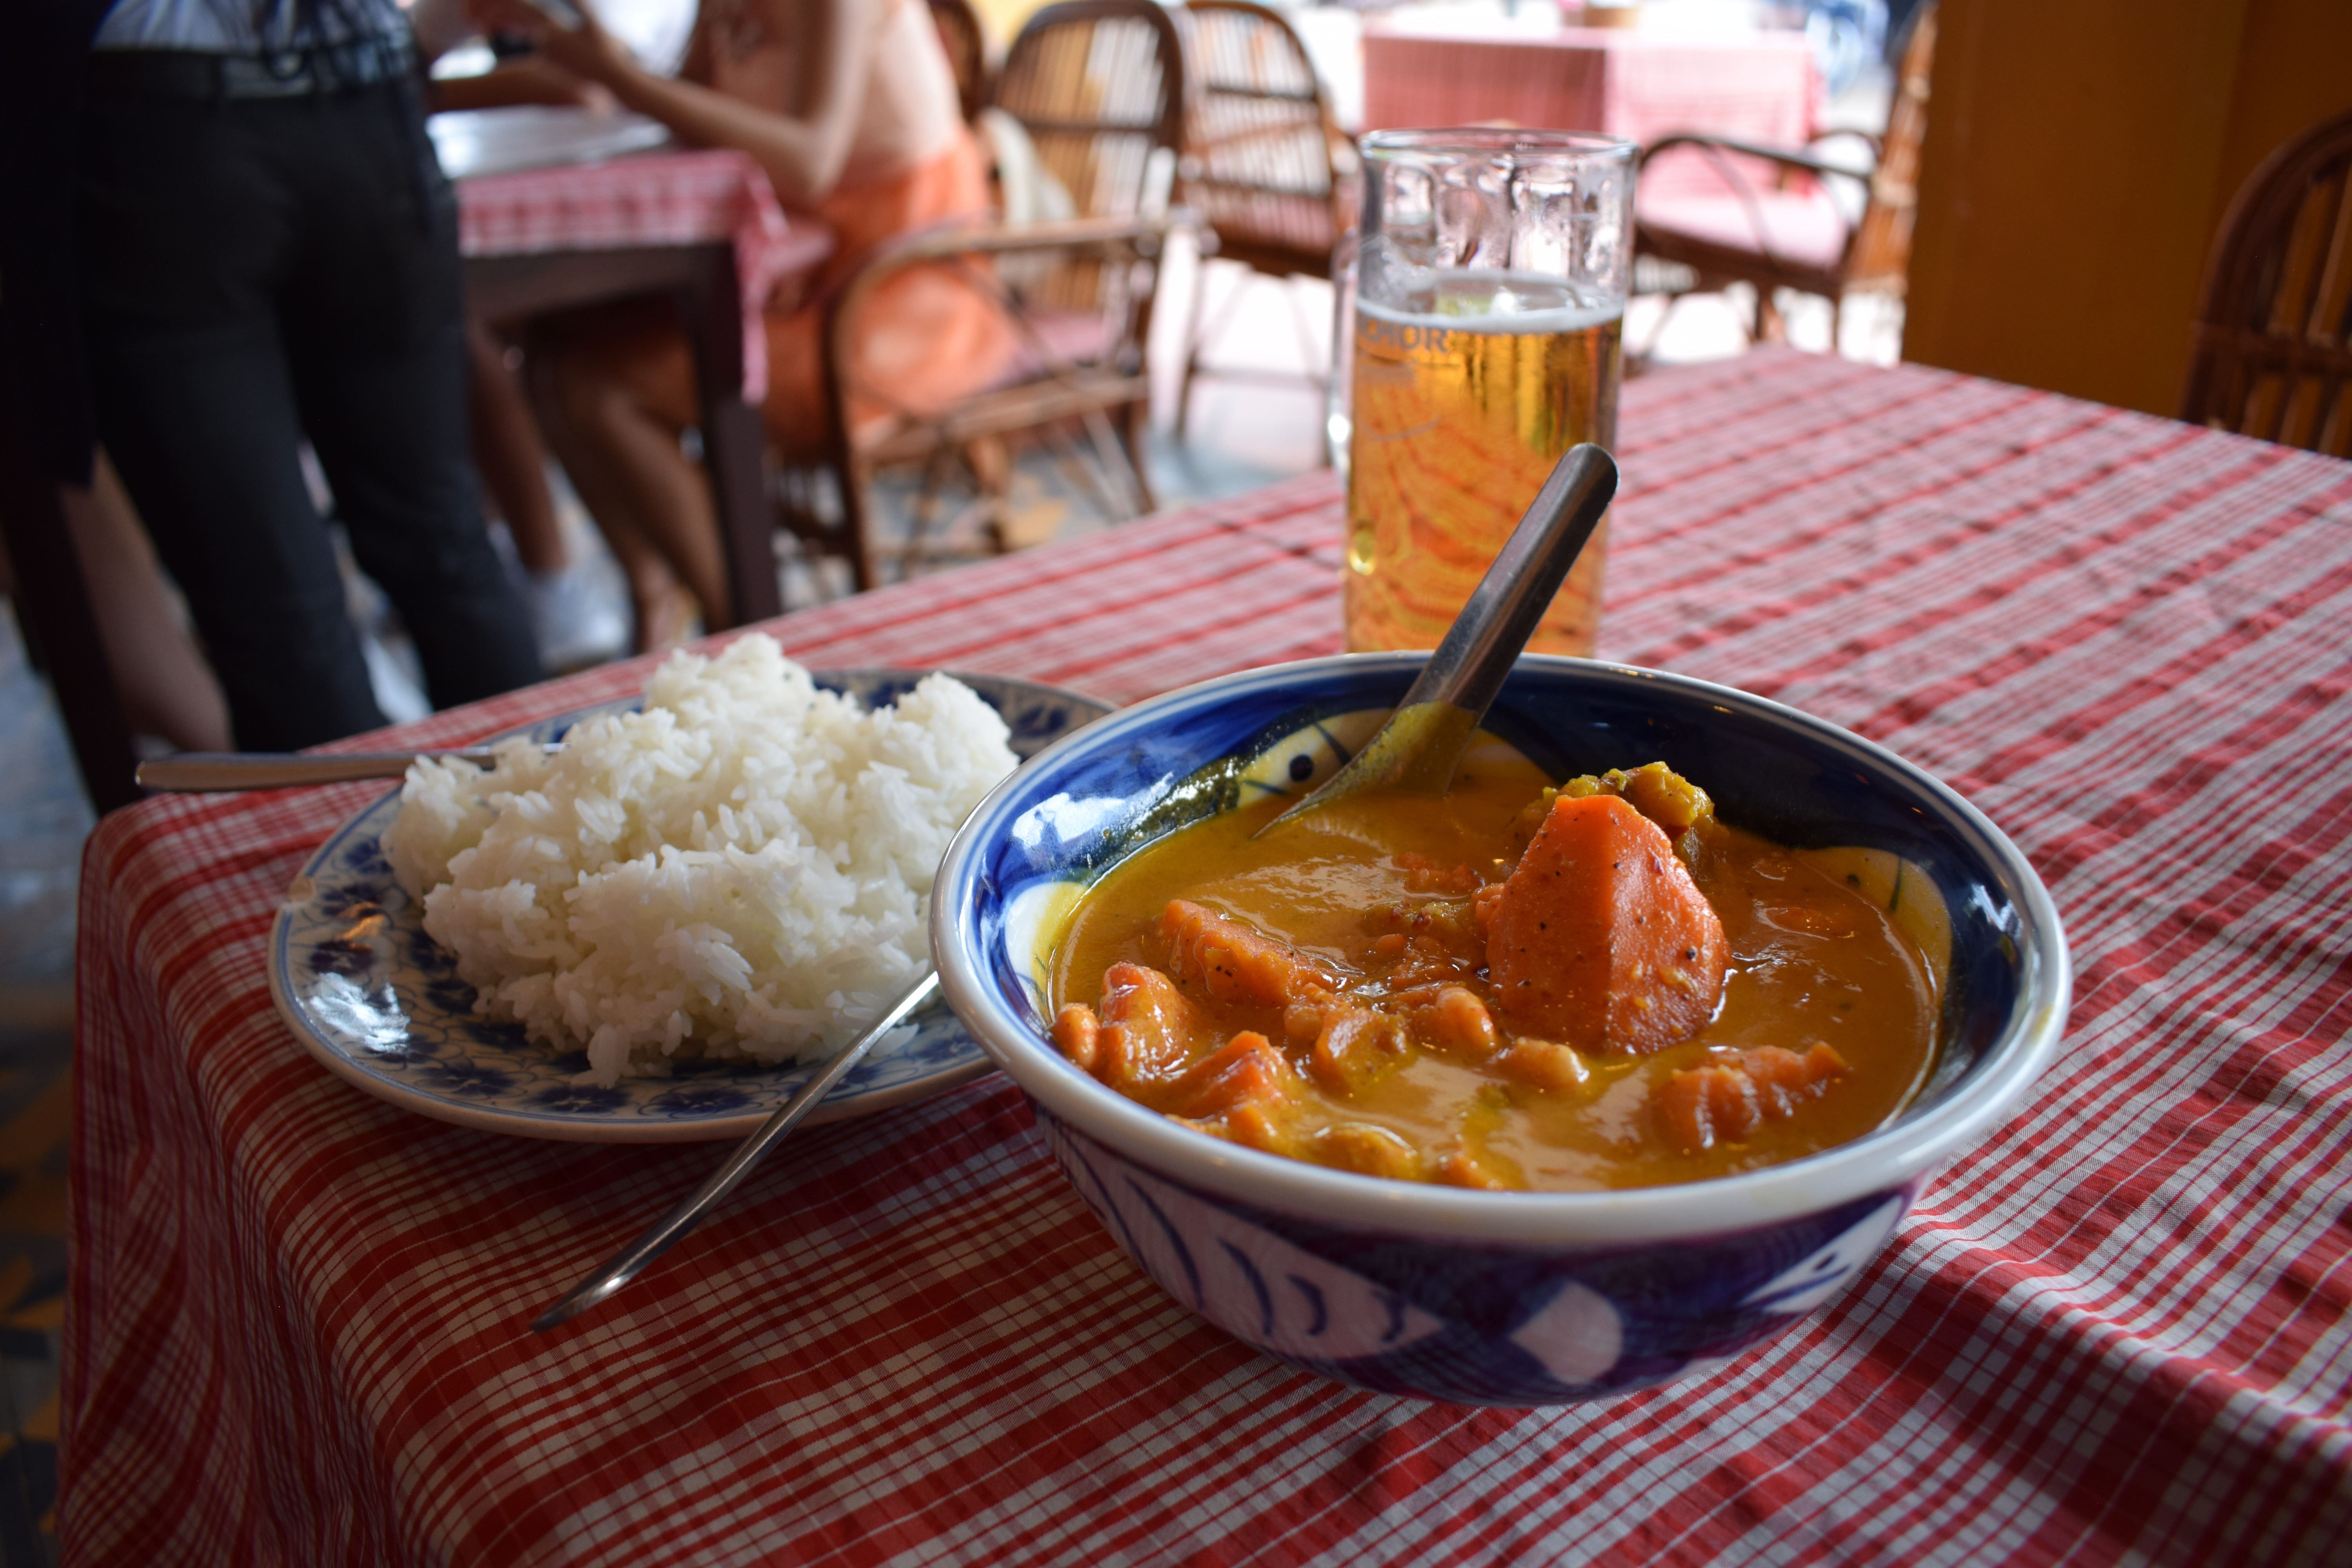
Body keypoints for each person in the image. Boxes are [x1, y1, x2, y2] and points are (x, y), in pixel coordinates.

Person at [75, 0, 544, 750]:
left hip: (157, 126)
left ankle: (359, 858)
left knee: (273, 598)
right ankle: (548, 847)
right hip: (362, 98)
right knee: (444, 544)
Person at [470, 0, 1012, 648]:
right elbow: (682, 112)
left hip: (892, 291)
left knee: (598, 384)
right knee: (556, 350)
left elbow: (809, 159)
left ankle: (747, 635)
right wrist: (596, 56)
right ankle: (656, 601)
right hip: (789, 265)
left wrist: (618, 79)